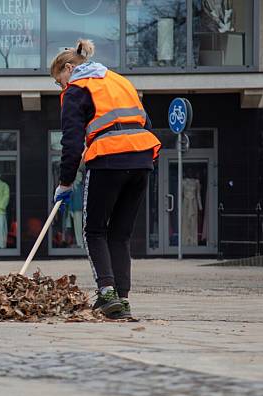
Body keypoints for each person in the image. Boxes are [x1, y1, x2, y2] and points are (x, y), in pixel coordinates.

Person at [51, 39, 160, 319]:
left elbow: (72, 142)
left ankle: (107, 293)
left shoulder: (76, 89)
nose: (60, 86)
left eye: (57, 80)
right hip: (142, 159)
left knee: (94, 230)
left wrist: (65, 182)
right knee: (121, 234)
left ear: (68, 68)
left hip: (109, 159)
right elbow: (145, 123)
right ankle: (122, 299)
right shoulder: (119, 81)